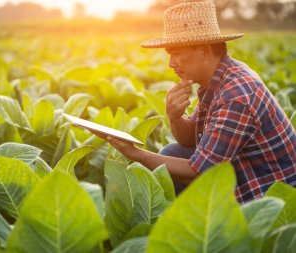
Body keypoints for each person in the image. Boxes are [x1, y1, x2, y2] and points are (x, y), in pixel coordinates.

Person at [91, 0, 296, 204]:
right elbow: (189, 140)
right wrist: (174, 116)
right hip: (243, 169)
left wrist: (136, 154)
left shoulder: (236, 95)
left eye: (176, 54)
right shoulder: (218, 78)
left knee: (170, 164)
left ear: (205, 51)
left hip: (273, 195)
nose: (171, 63)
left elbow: (201, 171)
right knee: (172, 153)